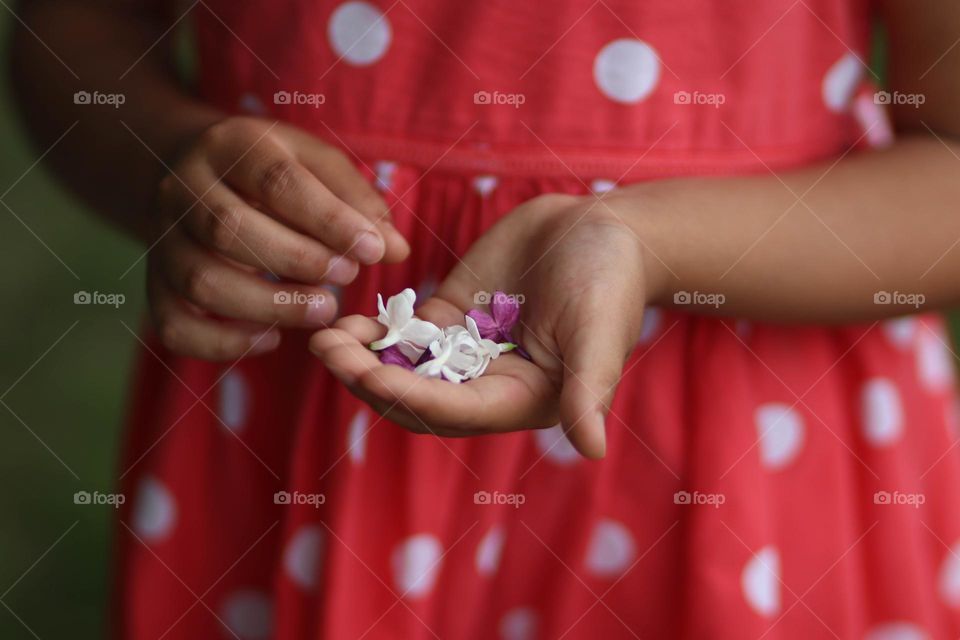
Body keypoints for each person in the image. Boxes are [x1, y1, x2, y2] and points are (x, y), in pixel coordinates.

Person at [12, 0, 960, 637]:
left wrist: (648, 241)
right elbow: (73, 38)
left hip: (744, 448)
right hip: (301, 418)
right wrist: (171, 159)